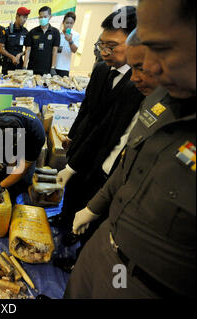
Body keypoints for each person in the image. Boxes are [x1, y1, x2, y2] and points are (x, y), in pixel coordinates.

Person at [65, 0, 195, 298]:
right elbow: (128, 164)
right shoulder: (161, 96)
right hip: (104, 250)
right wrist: (94, 207)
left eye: (160, 47)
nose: (145, 70)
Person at [51, 7, 143, 253]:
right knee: (71, 193)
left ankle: (79, 249)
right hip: (82, 148)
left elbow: (108, 130)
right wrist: (71, 135)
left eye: (112, 46)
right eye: (101, 45)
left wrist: (74, 165)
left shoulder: (138, 83)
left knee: (90, 206)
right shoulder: (101, 69)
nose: (104, 52)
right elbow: (87, 108)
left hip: (103, 159)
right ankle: (64, 221)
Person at [0, 107, 45, 216]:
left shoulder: (35, 134)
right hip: (3, 142)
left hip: (26, 146)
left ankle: (13, 196)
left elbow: (23, 168)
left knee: (22, 184)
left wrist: (0, 187)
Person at [23, 6, 60, 75]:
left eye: (45, 17)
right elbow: (28, 50)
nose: (43, 19)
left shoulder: (55, 32)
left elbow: (55, 51)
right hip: (32, 68)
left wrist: (53, 67)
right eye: (41, 17)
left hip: (47, 69)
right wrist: (24, 66)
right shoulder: (32, 32)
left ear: (50, 17)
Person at [0, 7, 30, 75]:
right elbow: (1, 49)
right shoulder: (6, 30)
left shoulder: (25, 32)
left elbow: (28, 49)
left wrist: (20, 54)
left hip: (19, 64)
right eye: (23, 17)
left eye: (26, 18)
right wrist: (12, 57)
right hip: (7, 64)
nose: (25, 20)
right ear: (17, 16)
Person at [55, 11, 80, 77]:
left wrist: (70, 40)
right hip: (53, 65)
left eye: (71, 23)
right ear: (63, 22)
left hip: (64, 67)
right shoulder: (57, 33)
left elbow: (74, 50)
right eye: (67, 23)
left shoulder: (76, 35)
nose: (69, 25)